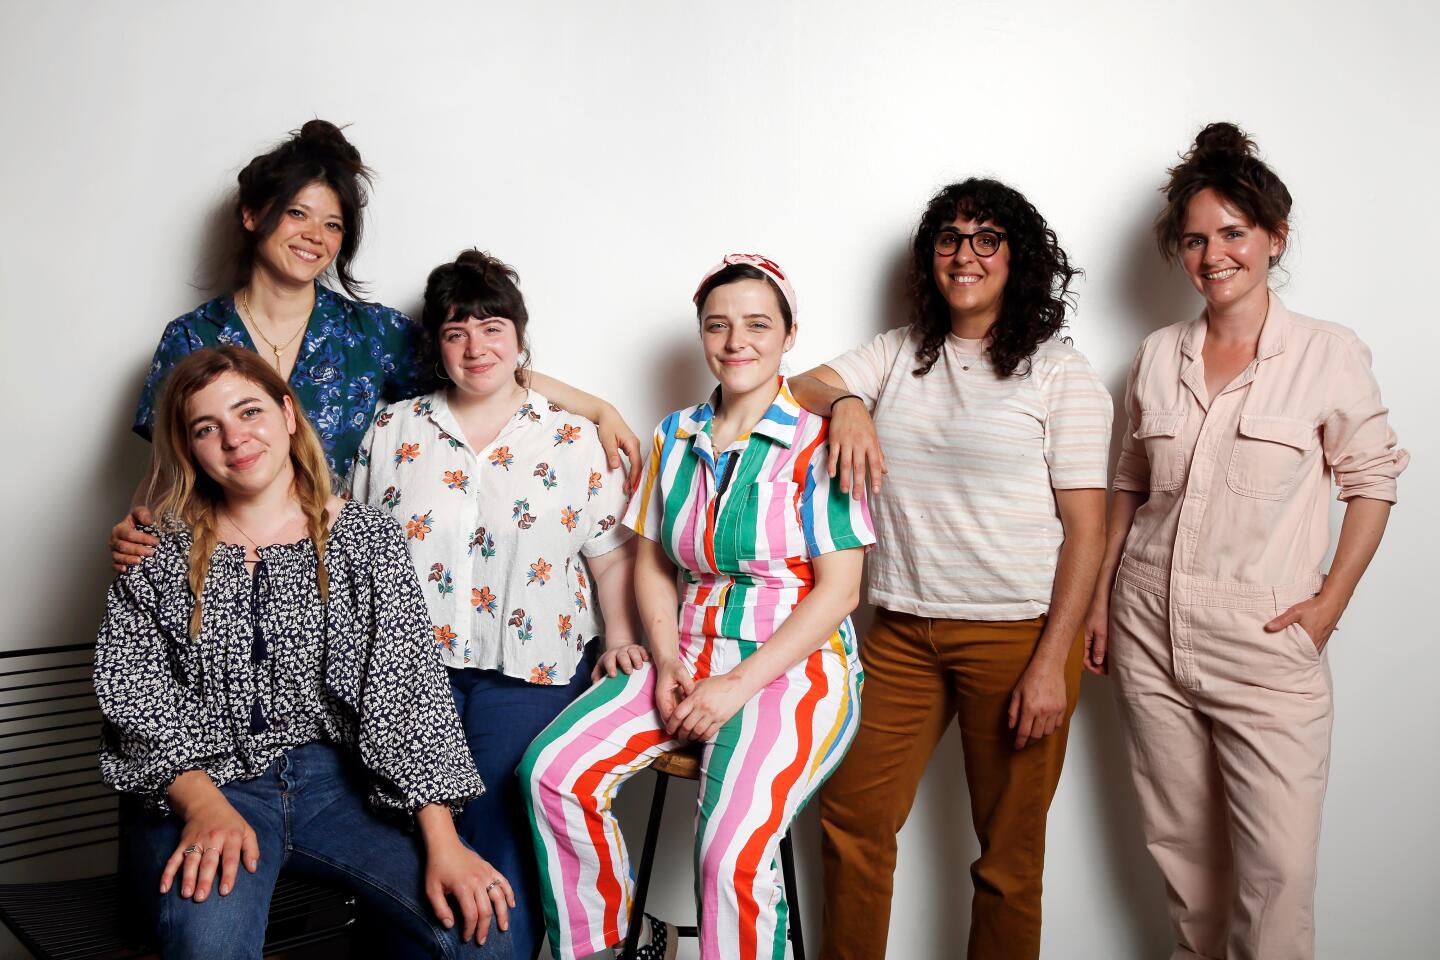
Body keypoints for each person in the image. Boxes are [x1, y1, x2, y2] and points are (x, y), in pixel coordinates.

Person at [1083, 123, 1407, 960]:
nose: (1214, 254)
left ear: (1274, 239)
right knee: (1188, 871)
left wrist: (1327, 605)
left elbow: (1371, 482)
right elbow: (1129, 486)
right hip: (1149, 631)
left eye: (1233, 232)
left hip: (1265, 642)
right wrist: (1099, 602)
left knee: (1276, 882)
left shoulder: (1328, 355)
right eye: (1195, 239)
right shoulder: (1156, 357)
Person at [94, 346, 513, 959]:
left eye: (250, 411)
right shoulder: (155, 549)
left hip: (337, 787)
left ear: (289, 414)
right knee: (208, 946)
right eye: (207, 428)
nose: (236, 438)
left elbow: (409, 692)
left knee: (484, 937)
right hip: (205, 784)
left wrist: (444, 840)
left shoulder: (365, 538)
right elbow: (132, 691)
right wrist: (204, 804)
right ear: (188, 449)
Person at [789, 179, 1112, 960]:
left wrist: (1049, 666)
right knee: (853, 820)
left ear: (1018, 258)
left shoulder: (1058, 372)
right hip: (900, 631)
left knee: (1007, 856)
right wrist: (849, 405)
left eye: (986, 239)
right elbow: (796, 388)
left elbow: (1087, 533)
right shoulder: (901, 353)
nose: (965, 255)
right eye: (949, 239)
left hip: (1019, 636)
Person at [520, 254, 874, 960]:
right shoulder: (672, 435)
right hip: (686, 650)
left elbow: (841, 590)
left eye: (756, 324)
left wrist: (737, 687)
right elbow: (652, 561)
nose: (736, 340)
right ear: (702, 336)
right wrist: (669, 660)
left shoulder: (818, 440)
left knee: (728, 853)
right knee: (551, 773)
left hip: (792, 669)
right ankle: (607, 946)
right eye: (718, 325)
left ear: (789, 335)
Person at [107, 119, 639, 571]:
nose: (314, 234)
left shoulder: (372, 333)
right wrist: (136, 528)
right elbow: (165, 471)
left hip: (329, 569)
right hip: (219, 567)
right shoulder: (191, 336)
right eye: (297, 213)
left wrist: (596, 407)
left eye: (332, 224)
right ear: (252, 215)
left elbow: (477, 370)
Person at [349, 249, 640, 960]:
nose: (476, 346)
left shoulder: (572, 437)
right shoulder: (393, 431)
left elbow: (610, 556)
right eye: (455, 331)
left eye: (492, 326)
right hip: (409, 679)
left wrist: (622, 637)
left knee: (501, 838)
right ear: (436, 346)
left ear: (519, 337)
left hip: (532, 673)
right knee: (411, 846)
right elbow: (355, 556)